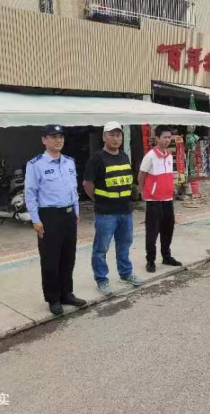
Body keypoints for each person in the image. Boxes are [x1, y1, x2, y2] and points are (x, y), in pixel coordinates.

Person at [25, 125, 87, 316]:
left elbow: (73, 189)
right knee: (50, 259)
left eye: (60, 136)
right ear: (44, 140)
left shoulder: (69, 162)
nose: (58, 140)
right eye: (53, 137)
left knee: (68, 257)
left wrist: (76, 212)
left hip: (68, 215)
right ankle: (53, 298)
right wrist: (35, 220)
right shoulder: (35, 164)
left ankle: (66, 293)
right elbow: (30, 194)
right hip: (49, 217)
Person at [83, 121, 145, 296]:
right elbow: (87, 184)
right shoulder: (96, 159)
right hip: (106, 213)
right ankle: (101, 280)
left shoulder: (124, 156)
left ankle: (126, 274)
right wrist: (99, 200)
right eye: (111, 135)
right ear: (104, 137)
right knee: (101, 249)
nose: (116, 138)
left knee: (124, 245)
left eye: (118, 135)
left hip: (125, 211)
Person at [138, 125, 183, 273]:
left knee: (168, 230)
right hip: (154, 201)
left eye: (169, 137)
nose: (167, 140)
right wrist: (145, 192)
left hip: (168, 199)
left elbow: (168, 175)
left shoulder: (169, 155)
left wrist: (172, 188)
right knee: (152, 232)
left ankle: (166, 256)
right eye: (164, 137)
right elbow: (141, 176)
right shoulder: (150, 156)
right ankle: (150, 261)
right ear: (157, 138)